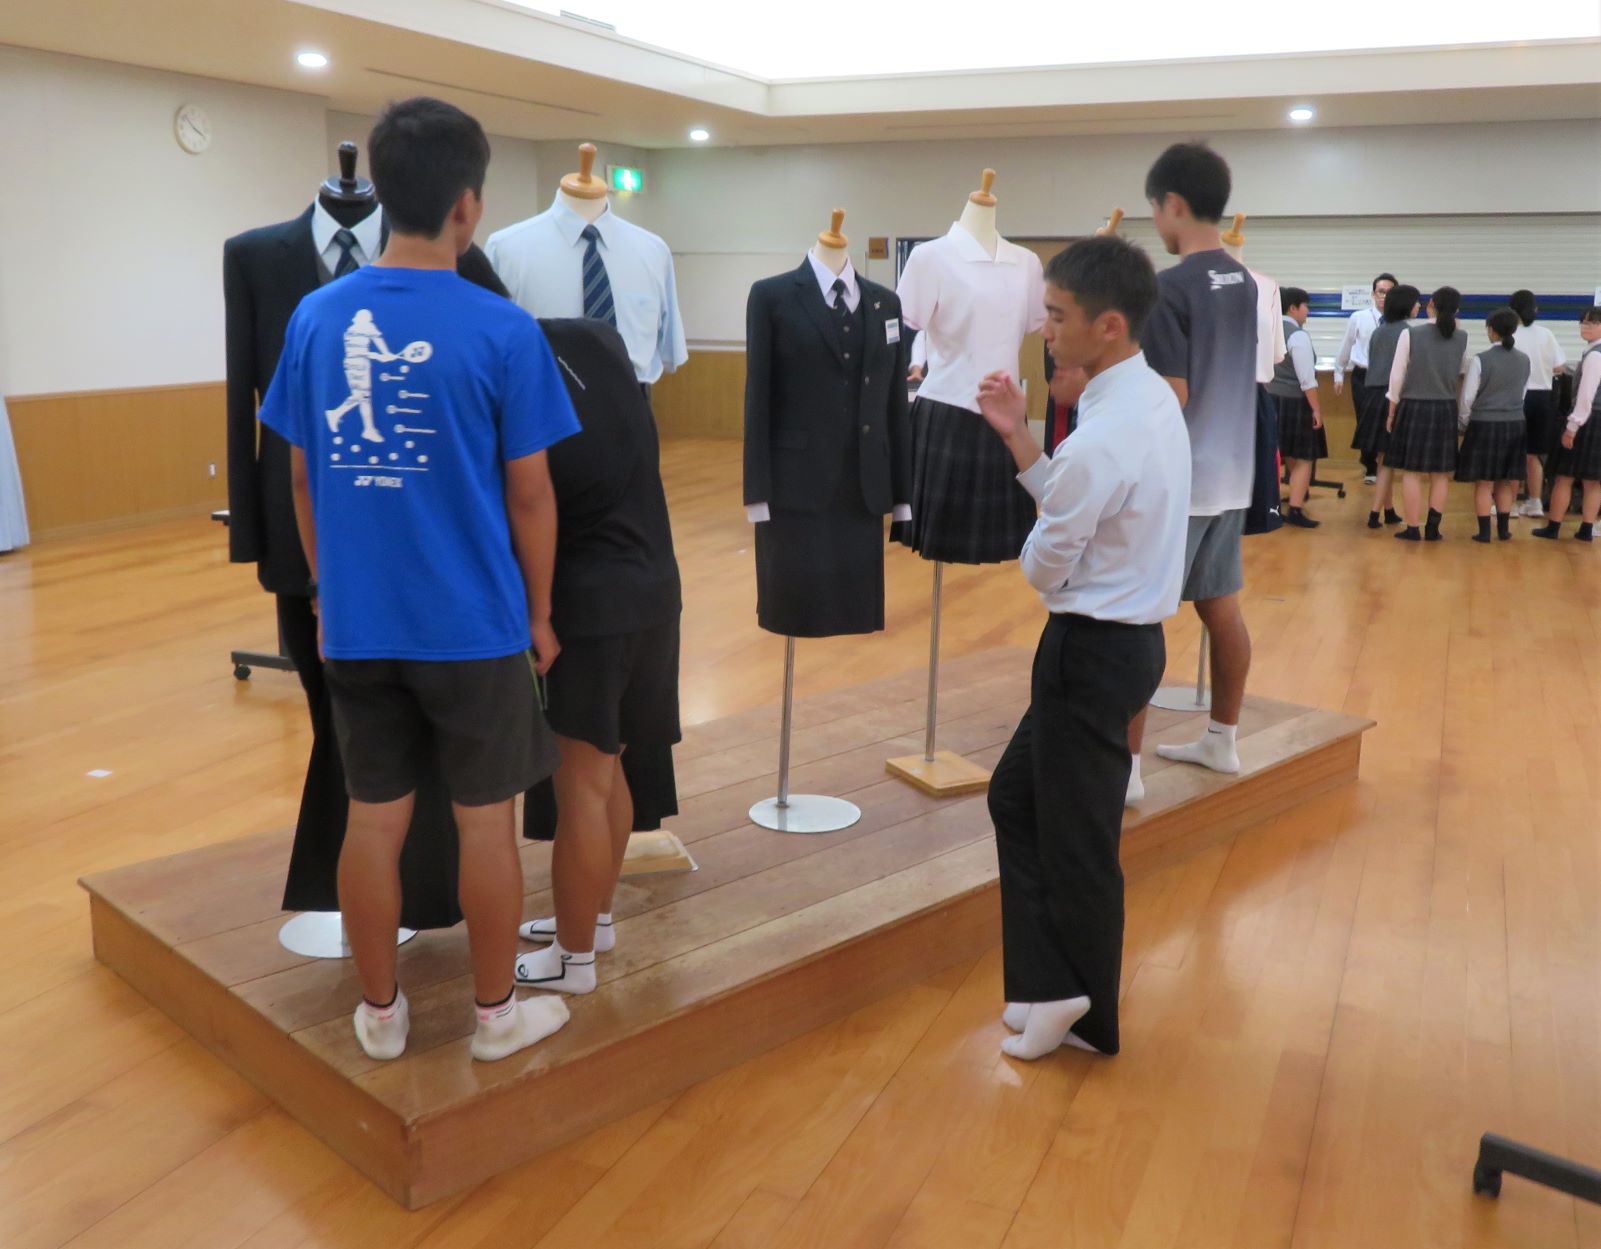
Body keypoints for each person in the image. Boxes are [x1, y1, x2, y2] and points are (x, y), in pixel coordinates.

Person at [259, 97, 581, 1064]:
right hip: (475, 624)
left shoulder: (316, 316)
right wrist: (540, 614)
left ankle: (381, 1014)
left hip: (359, 624)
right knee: (487, 825)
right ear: (466, 206)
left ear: (379, 195)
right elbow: (531, 495)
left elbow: (302, 476)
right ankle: (495, 1019)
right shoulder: (503, 329)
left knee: (372, 818)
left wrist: (327, 592)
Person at [974, 234, 1189, 1061]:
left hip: (1088, 651)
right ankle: (1054, 987)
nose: (1045, 329)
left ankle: (1084, 1007)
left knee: (1078, 840)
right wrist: (1019, 439)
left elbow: (1043, 562)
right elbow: (1079, 504)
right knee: (1017, 801)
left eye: (1056, 315)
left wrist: (1043, 507)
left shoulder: (1104, 434)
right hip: (1122, 647)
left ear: (1107, 325)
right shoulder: (1145, 398)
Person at [512, 318, 683, 994]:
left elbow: (530, 498)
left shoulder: (517, 370)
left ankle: (573, 957)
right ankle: (594, 920)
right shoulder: (599, 344)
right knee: (609, 767)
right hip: (655, 588)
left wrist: (536, 612)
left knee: (581, 784)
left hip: (591, 603)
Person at [1127, 142, 1258, 793]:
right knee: (1220, 609)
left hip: (1181, 482)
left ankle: (1124, 770)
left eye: (1154, 210)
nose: (1155, 222)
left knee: (1137, 620)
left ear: (1171, 204)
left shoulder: (1169, 287)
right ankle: (1220, 741)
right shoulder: (1246, 281)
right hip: (1232, 476)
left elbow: (1171, 394)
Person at [1386, 286, 1468, 541]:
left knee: (1411, 472)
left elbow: (1397, 376)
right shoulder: (1462, 337)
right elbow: (1461, 371)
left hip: (1414, 406)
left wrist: (1391, 412)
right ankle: (1433, 529)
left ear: (1431, 303)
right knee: (1440, 474)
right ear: (1457, 310)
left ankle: (1412, 528)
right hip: (1445, 407)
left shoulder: (1410, 333)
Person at [1456, 308, 1530, 543]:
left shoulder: (1481, 359)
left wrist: (1464, 421)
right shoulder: (1524, 359)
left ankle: (1484, 532)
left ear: (1491, 330)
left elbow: (1467, 398)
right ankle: (1504, 531)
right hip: (1515, 424)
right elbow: (1523, 393)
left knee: (1484, 482)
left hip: (1485, 425)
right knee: (1505, 480)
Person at [1532, 306, 1601, 542]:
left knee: (1564, 475)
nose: (1585, 327)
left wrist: (1572, 427)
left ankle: (1554, 526)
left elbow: (1585, 396)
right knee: (1593, 480)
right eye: (1583, 322)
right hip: (1596, 420)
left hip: (1586, 420)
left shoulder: (1595, 355)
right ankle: (1586, 529)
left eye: (1592, 323)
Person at [1267, 286, 1326, 527]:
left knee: (1280, 452)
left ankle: (1274, 505)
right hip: (1295, 402)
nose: (1307, 312)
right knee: (1303, 457)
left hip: (1270, 399)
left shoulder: (1268, 330)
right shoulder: (1298, 335)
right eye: (1306, 306)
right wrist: (1316, 409)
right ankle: (1296, 509)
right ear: (1293, 308)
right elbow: (1306, 379)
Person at [1361, 283, 1419, 529]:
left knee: (1383, 457)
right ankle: (1374, 513)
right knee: (1387, 461)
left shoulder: (1379, 331)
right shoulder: (1408, 333)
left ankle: (1388, 509)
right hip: (1391, 397)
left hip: (1372, 396)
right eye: (1416, 302)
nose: (1418, 306)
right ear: (1407, 305)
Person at [1509, 289, 1569, 519]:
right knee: (1533, 454)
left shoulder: (1510, 334)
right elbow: (1559, 367)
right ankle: (1535, 502)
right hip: (1543, 398)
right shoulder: (1546, 334)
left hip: (1518, 397)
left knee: (1515, 452)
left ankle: (1509, 504)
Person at [1335, 272, 1399, 481]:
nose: (1384, 296)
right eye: (1380, 292)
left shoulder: (1399, 321)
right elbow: (1346, 345)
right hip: (1363, 376)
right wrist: (1338, 372)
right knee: (1365, 420)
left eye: (1389, 293)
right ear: (1373, 294)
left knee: (1387, 420)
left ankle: (1385, 463)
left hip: (1389, 378)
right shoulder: (1359, 317)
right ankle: (1369, 465)